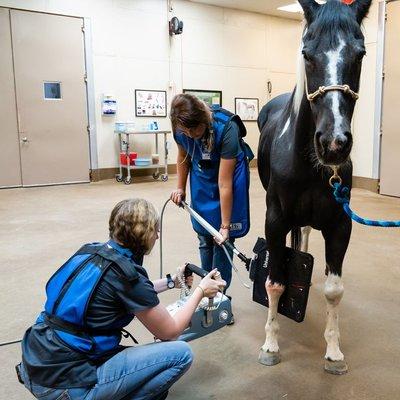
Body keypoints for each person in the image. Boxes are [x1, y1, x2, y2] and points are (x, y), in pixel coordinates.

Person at [17, 198, 225, 400]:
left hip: (38, 364)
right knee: (180, 353)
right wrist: (200, 291)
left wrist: (172, 281)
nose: (158, 236)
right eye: (155, 230)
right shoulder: (127, 275)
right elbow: (169, 332)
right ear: (144, 234)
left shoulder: (91, 252)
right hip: (66, 384)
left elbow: (127, 293)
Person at [169, 94, 253, 323]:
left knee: (223, 243)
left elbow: (224, 183)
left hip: (229, 178)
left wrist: (225, 227)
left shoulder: (227, 128)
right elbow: (183, 156)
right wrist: (180, 188)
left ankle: (220, 299)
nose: (191, 136)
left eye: (195, 131)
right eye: (186, 133)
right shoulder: (181, 129)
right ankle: (207, 292)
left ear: (204, 120)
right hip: (203, 175)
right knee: (205, 238)